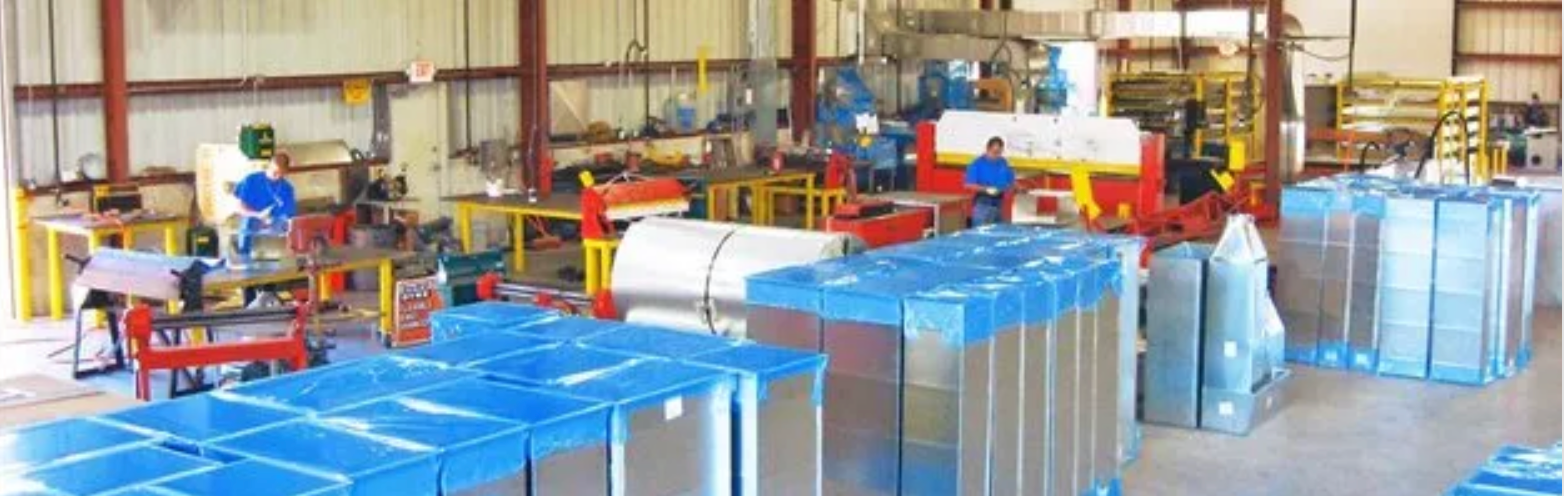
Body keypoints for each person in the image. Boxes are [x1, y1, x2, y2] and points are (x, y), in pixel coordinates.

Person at [232, 152, 297, 257]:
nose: (277, 176)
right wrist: (257, 215)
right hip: (251, 227)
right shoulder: (251, 180)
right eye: (274, 172)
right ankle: (245, 255)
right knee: (248, 223)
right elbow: (239, 208)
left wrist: (290, 244)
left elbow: (290, 218)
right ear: (270, 165)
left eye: (281, 174)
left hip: (275, 230)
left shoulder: (287, 189)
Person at [965, 136, 1016, 226]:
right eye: (994, 152)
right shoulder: (977, 164)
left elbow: (1010, 181)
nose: (997, 155)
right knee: (980, 235)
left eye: (999, 152)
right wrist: (987, 189)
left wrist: (1018, 188)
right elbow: (969, 185)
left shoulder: (1003, 162)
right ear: (987, 149)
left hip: (999, 205)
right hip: (983, 204)